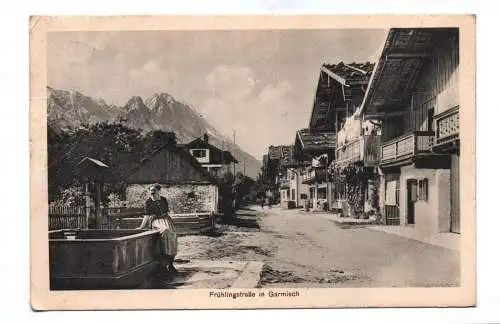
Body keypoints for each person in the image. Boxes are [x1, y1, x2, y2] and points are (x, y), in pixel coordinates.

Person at [138, 183, 178, 273]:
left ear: (158, 191)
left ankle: (171, 263)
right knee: (165, 231)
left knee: (173, 237)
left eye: (154, 190)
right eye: (150, 190)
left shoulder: (163, 200)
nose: (152, 192)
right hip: (156, 222)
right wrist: (141, 227)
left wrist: (166, 218)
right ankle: (163, 263)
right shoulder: (148, 202)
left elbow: (166, 211)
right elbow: (147, 215)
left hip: (166, 220)